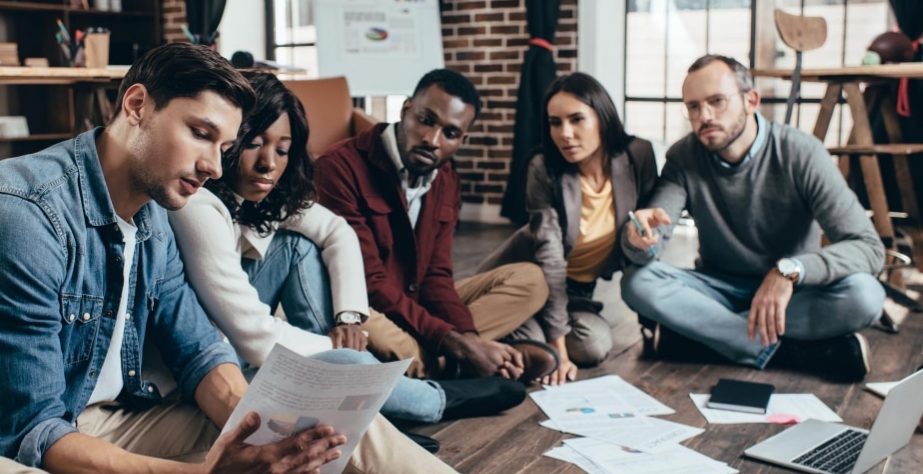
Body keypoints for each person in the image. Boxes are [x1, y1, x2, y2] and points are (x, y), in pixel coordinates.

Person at [0, 43, 494, 474]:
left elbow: (200, 353)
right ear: (137, 105)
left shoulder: (154, 210)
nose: (214, 165)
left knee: (325, 426)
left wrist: (258, 430)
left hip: (106, 420)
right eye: (200, 134)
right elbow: (31, 432)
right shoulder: (19, 215)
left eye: (223, 146)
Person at [169, 71, 526, 424]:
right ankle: (430, 400)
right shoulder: (199, 205)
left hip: (272, 334)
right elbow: (257, 339)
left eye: (282, 149)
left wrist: (348, 319)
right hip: (211, 365)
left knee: (297, 246)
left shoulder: (260, 194)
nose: (269, 163)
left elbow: (336, 231)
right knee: (352, 363)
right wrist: (338, 349)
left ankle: (400, 384)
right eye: (253, 143)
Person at [620, 54, 886, 382]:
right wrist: (637, 240)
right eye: (692, 107)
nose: (703, 116)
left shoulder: (802, 153)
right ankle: (794, 353)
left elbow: (869, 248)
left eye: (716, 101)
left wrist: (790, 271)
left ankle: (704, 338)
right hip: (719, 290)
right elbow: (649, 249)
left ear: (751, 100)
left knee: (865, 295)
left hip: (792, 296)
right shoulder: (683, 157)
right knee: (637, 282)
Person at [316, 68, 558, 383]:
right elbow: (370, 283)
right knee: (374, 331)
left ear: (462, 139)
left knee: (532, 280)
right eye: (426, 120)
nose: (432, 140)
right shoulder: (340, 167)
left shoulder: (446, 181)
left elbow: (436, 276)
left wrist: (469, 337)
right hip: (359, 306)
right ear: (406, 111)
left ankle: (465, 356)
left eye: (450, 133)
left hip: (413, 303)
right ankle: (452, 366)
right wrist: (451, 341)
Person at [476, 72, 658, 385]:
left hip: (576, 292)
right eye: (555, 122)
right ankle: (517, 334)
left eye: (577, 119)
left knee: (594, 345)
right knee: (545, 354)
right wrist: (558, 351)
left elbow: (646, 231)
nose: (566, 133)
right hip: (525, 280)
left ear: (602, 117)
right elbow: (549, 260)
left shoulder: (637, 155)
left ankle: (528, 335)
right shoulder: (543, 168)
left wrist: (653, 316)